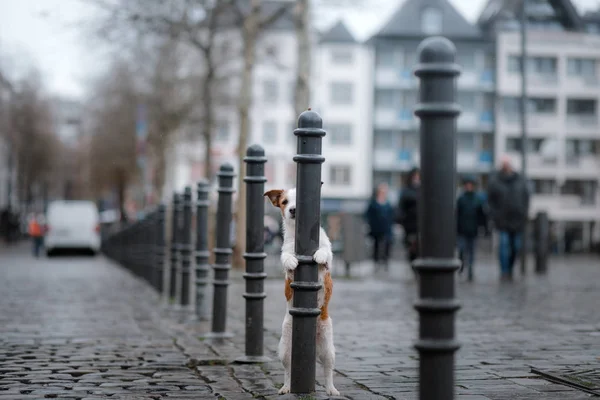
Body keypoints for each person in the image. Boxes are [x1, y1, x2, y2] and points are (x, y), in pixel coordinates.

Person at [487, 156, 530, 281]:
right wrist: (494, 215)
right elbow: (490, 201)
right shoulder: (495, 181)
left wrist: (524, 213)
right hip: (502, 221)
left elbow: (526, 198)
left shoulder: (520, 180)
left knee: (516, 246)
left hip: (517, 219)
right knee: (503, 246)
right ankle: (504, 271)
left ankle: (510, 268)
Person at [456, 175, 488, 282]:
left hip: (473, 230)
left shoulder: (478, 199)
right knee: (462, 249)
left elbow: (482, 216)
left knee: (471, 251)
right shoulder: (461, 199)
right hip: (462, 230)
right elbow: (457, 215)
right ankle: (462, 266)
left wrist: (484, 228)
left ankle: (470, 270)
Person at [364, 183, 395, 270]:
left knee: (387, 244)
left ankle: (385, 261)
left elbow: (392, 215)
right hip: (376, 228)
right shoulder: (373, 203)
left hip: (386, 228)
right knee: (376, 245)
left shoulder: (388, 204)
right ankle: (376, 261)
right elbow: (368, 215)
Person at [397, 167, 420, 264]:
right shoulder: (406, 191)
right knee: (411, 247)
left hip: (422, 225)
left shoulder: (424, 190)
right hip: (410, 225)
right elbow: (400, 208)